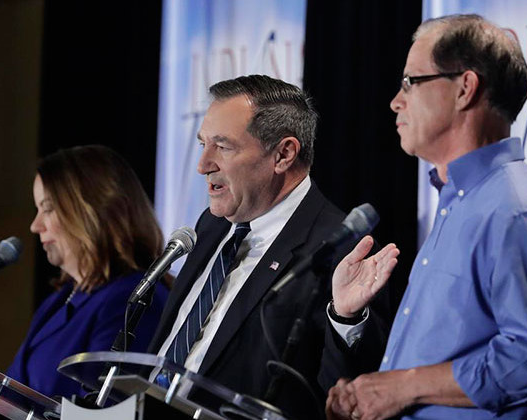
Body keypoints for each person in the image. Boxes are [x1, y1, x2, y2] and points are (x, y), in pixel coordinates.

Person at [326, 14, 527, 419]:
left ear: (465, 88)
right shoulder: (458, 201)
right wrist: (371, 394)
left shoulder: (515, 211)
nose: (395, 100)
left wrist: (403, 387)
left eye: (411, 82)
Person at [146, 74, 400, 419]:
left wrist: (346, 318)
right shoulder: (211, 224)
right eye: (203, 143)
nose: (203, 165)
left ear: (283, 153)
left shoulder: (340, 250)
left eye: (222, 146)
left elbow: (345, 395)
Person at [6, 145, 169, 398]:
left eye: (48, 208)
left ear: (91, 209)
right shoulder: (58, 301)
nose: (35, 226)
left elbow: (101, 406)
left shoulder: (135, 300)